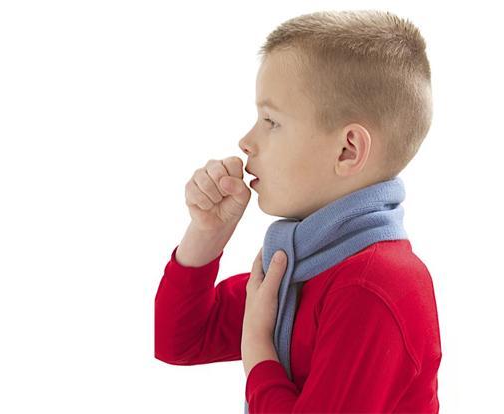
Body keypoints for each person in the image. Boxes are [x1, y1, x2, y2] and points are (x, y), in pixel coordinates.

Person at [155, 9, 441, 413]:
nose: (246, 141)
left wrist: (258, 349)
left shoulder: (373, 285)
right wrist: (207, 233)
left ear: (347, 150)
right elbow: (179, 340)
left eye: (271, 121)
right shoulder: (307, 264)